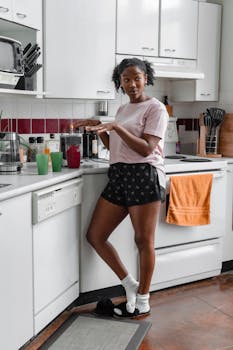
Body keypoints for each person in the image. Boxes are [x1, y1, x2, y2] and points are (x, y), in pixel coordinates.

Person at [75, 57, 168, 317]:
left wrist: (115, 126)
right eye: (126, 79)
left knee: (142, 240)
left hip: (144, 174)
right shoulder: (123, 110)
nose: (132, 83)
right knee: (95, 235)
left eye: (136, 78)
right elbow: (115, 147)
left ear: (146, 78)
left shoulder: (156, 109)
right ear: (120, 83)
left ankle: (143, 300)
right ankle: (130, 284)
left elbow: (146, 148)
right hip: (119, 176)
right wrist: (100, 129)